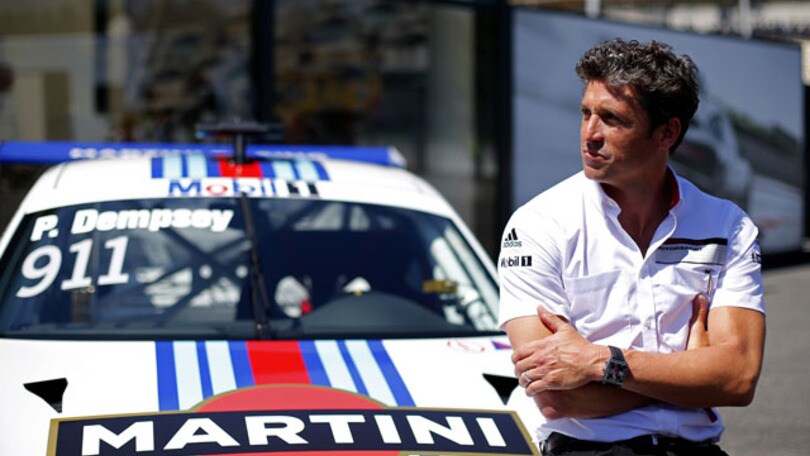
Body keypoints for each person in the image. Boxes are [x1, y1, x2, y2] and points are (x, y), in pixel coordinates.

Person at [498, 38, 765, 456]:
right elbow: (556, 397)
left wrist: (600, 363)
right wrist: (688, 375)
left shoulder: (728, 225)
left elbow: (738, 379)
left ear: (667, 133)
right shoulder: (537, 225)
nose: (590, 134)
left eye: (611, 119)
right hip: (587, 450)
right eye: (586, 113)